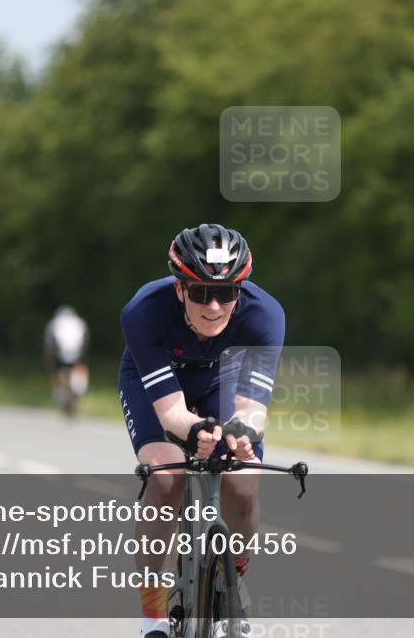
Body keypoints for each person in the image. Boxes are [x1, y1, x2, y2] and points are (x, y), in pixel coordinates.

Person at [119, 223, 285, 638]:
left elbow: (252, 409)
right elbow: (173, 412)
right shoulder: (143, 311)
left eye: (226, 293)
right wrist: (193, 431)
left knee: (244, 491)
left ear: (240, 291)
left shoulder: (265, 316)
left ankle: (234, 581)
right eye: (200, 293)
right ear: (179, 290)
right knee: (167, 477)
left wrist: (243, 432)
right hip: (157, 383)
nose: (213, 307)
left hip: (222, 383)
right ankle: (152, 617)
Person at [44, 305, 90, 415]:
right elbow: (86, 339)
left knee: (59, 372)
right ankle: (76, 392)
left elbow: (50, 342)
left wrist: (49, 357)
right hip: (77, 352)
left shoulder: (54, 323)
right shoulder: (80, 322)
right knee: (78, 370)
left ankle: (61, 395)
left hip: (60, 352)